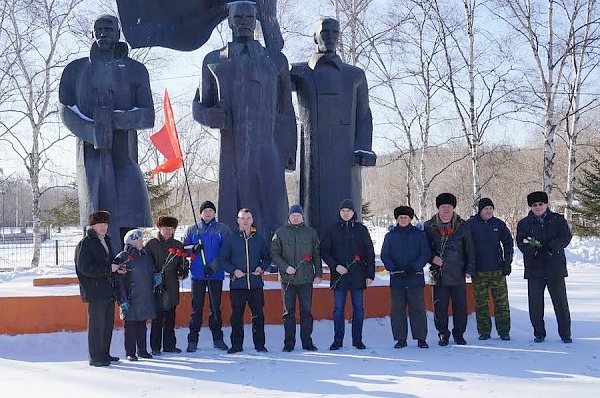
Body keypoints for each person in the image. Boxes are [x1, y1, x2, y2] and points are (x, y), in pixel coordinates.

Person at [192, 1, 297, 241]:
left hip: (268, 145)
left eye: (249, 17)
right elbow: (199, 105)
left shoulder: (275, 60)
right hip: (232, 147)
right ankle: (235, 250)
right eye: (238, 18)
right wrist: (210, 116)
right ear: (228, 21)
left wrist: (289, 152)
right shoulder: (213, 60)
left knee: (272, 202)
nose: (243, 23)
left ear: (256, 20)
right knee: (235, 202)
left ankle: (275, 250)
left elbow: (286, 109)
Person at [59, 15, 155, 250]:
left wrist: (114, 120)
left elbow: (147, 115)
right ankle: (97, 263)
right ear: (92, 33)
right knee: (95, 211)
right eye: (99, 29)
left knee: (127, 210)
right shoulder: (76, 70)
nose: (103, 33)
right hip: (90, 151)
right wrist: (93, 131)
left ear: (118, 32)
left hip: (124, 152)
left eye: (109, 29)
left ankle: (129, 263)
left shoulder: (135, 70)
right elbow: (65, 109)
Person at [291, 17, 376, 236]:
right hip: (313, 153)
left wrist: (364, 147)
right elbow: (276, 90)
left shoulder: (354, 75)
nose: (329, 36)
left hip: (345, 154)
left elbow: (364, 115)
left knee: (345, 202)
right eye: (324, 32)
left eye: (334, 32)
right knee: (313, 205)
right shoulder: (300, 72)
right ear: (315, 36)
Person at [516, 191, 573, 343]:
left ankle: (565, 333)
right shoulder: (524, 223)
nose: (538, 207)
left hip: (555, 268)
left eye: (541, 204)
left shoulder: (557, 220)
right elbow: (521, 242)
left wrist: (552, 247)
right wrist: (533, 249)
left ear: (546, 204)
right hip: (535, 269)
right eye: (534, 205)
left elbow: (566, 237)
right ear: (531, 207)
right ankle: (539, 333)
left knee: (560, 302)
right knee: (535, 304)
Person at [321, 199, 375, 350]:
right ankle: (338, 340)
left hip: (358, 275)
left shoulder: (361, 229)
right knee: (338, 309)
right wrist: (335, 266)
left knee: (358, 309)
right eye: (343, 211)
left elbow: (369, 252)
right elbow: (324, 251)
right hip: (339, 276)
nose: (346, 214)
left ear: (353, 213)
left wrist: (370, 274)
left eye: (348, 211)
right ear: (339, 213)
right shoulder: (332, 229)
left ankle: (357, 340)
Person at [424, 193, 475, 346]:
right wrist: (432, 258)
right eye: (443, 206)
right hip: (438, 274)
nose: (446, 209)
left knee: (460, 306)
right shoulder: (429, 226)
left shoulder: (463, 225)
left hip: (458, 272)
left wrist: (469, 268)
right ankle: (443, 334)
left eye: (449, 206)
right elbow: (424, 248)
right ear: (438, 208)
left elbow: (470, 249)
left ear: (453, 208)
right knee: (440, 306)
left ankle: (459, 333)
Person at [270, 204, 322, 352]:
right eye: (293, 215)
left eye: (298, 215)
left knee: (306, 311)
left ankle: (307, 342)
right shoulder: (280, 233)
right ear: (289, 217)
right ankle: (289, 344)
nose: (295, 217)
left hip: (306, 279)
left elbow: (317, 254)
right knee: (288, 313)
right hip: (288, 280)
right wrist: (285, 267)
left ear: (302, 217)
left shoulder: (310, 233)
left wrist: (318, 273)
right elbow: (274, 254)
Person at [218, 208, 271, 354]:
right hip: (238, 284)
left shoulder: (259, 238)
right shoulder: (230, 238)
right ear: (238, 220)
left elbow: (267, 257)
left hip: (255, 284)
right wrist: (234, 270)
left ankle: (260, 345)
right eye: (243, 218)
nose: (246, 221)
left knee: (258, 315)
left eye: (248, 218)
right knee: (236, 316)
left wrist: (262, 267)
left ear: (252, 220)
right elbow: (223, 259)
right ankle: (236, 345)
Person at [74, 211, 123, 367]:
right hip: (95, 291)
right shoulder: (86, 243)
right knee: (97, 325)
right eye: (100, 224)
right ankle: (95, 357)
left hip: (108, 290)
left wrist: (117, 267)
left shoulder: (106, 240)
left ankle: (105, 354)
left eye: (105, 223)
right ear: (92, 225)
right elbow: (85, 268)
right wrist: (109, 268)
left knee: (107, 324)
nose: (103, 227)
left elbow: (109, 261)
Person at [184, 201, 231, 352]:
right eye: (205, 211)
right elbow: (183, 249)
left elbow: (225, 251)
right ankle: (192, 340)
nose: (208, 213)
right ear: (201, 213)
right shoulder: (192, 229)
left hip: (215, 274)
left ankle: (218, 338)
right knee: (196, 308)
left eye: (211, 210)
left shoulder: (222, 229)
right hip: (197, 274)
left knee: (215, 308)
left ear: (214, 213)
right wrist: (193, 248)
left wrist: (213, 267)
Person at [381, 206, 431, 349]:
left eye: (406, 217)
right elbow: (385, 254)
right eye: (400, 217)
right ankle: (400, 338)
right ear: (397, 219)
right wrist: (393, 267)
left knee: (418, 309)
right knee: (397, 309)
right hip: (397, 279)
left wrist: (414, 267)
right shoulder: (390, 236)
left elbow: (425, 253)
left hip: (415, 277)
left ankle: (421, 338)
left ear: (410, 219)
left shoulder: (419, 234)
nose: (403, 219)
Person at [467, 198, 514, 341]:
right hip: (479, 271)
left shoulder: (498, 224)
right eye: (485, 209)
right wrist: (469, 266)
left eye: (490, 208)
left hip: (497, 270)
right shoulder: (470, 225)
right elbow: (465, 247)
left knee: (501, 302)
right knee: (481, 303)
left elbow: (508, 243)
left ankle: (504, 331)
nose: (488, 211)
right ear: (479, 210)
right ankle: (484, 331)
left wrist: (507, 262)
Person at [116, 229, 162, 361]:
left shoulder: (145, 256)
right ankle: (130, 352)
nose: (142, 242)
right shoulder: (123, 257)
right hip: (130, 297)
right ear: (132, 241)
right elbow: (119, 280)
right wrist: (122, 299)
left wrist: (155, 276)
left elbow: (152, 270)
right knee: (130, 326)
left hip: (144, 296)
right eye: (139, 240)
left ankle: (142, 350)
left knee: (142, 324)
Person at [145, 216, 187, 355]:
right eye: (166, 228)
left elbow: (183, 264)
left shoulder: (177, 245)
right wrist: (153, 276)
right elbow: (146, 264)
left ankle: (169, 345)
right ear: (159, 228)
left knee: (170, 317)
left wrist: (183, 272)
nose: (168, 231)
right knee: (157, 318)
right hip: (156, 286)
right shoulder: (151, 244)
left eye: (171, 229)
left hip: (171, 286)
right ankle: (155, 347)